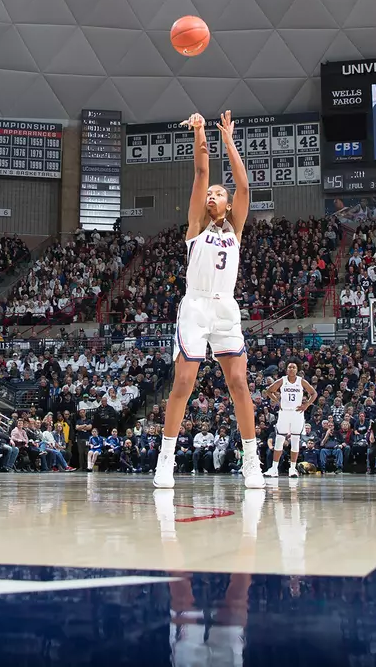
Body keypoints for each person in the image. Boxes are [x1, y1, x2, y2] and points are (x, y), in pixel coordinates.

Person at [151, 111, 264, 490]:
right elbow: (201, 173)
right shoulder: (196, 226)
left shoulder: (236, 229)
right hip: (196, 307)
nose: (213, 195)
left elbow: (244, 186)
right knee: (183, 382)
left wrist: (228, 140)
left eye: (219, 194)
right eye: (210, 194)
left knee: (239, 383)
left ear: (229, 205)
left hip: (225, 307)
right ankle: (166, 458)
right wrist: (200, 132)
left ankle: (252, 460)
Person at [267, 361, 316, 477]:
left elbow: (313, 393)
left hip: (297, 413)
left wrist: (306, 405)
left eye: (294, 367)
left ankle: (292, 469)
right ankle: (274, 468)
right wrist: (277, 401)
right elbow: (269, 390)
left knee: (295, 440)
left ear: (297, 369)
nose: (291, 369)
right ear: (286, 369)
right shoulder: (282, 380)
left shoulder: (301, 381)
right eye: (289, 367)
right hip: (284, 413)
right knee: (279, 440)